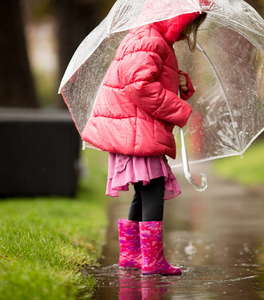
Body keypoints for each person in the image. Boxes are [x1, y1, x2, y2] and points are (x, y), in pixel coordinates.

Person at [82, 11, 207, 276]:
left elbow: (152, 78)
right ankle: (152, 260)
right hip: (137, 128)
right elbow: (139, 86)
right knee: (153, 188)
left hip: (136, 126)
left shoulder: (149, 36)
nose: (188, 32)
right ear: (177, 18)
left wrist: (181, 84)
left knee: (143, 190)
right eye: (189, 24)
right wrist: (179, 109)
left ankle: (131, 255)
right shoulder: (151, 39)